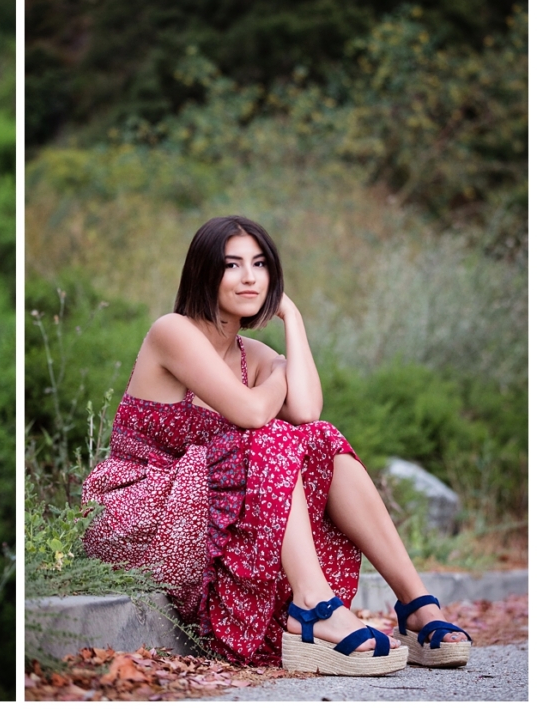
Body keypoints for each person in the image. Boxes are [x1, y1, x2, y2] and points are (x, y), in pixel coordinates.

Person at [82, 216, 470, 676]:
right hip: (142, 507)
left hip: (205, 508)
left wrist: (292, 318)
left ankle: (415, 604)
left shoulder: (253, 354)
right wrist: (277, 381)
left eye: (260, 264)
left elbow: (307, 412)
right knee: (266, 434)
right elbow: (250, 415)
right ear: (204, 273)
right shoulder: (173, 331)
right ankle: (312, 605)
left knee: (322, 440)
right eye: (232, 264)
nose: (249, 276)